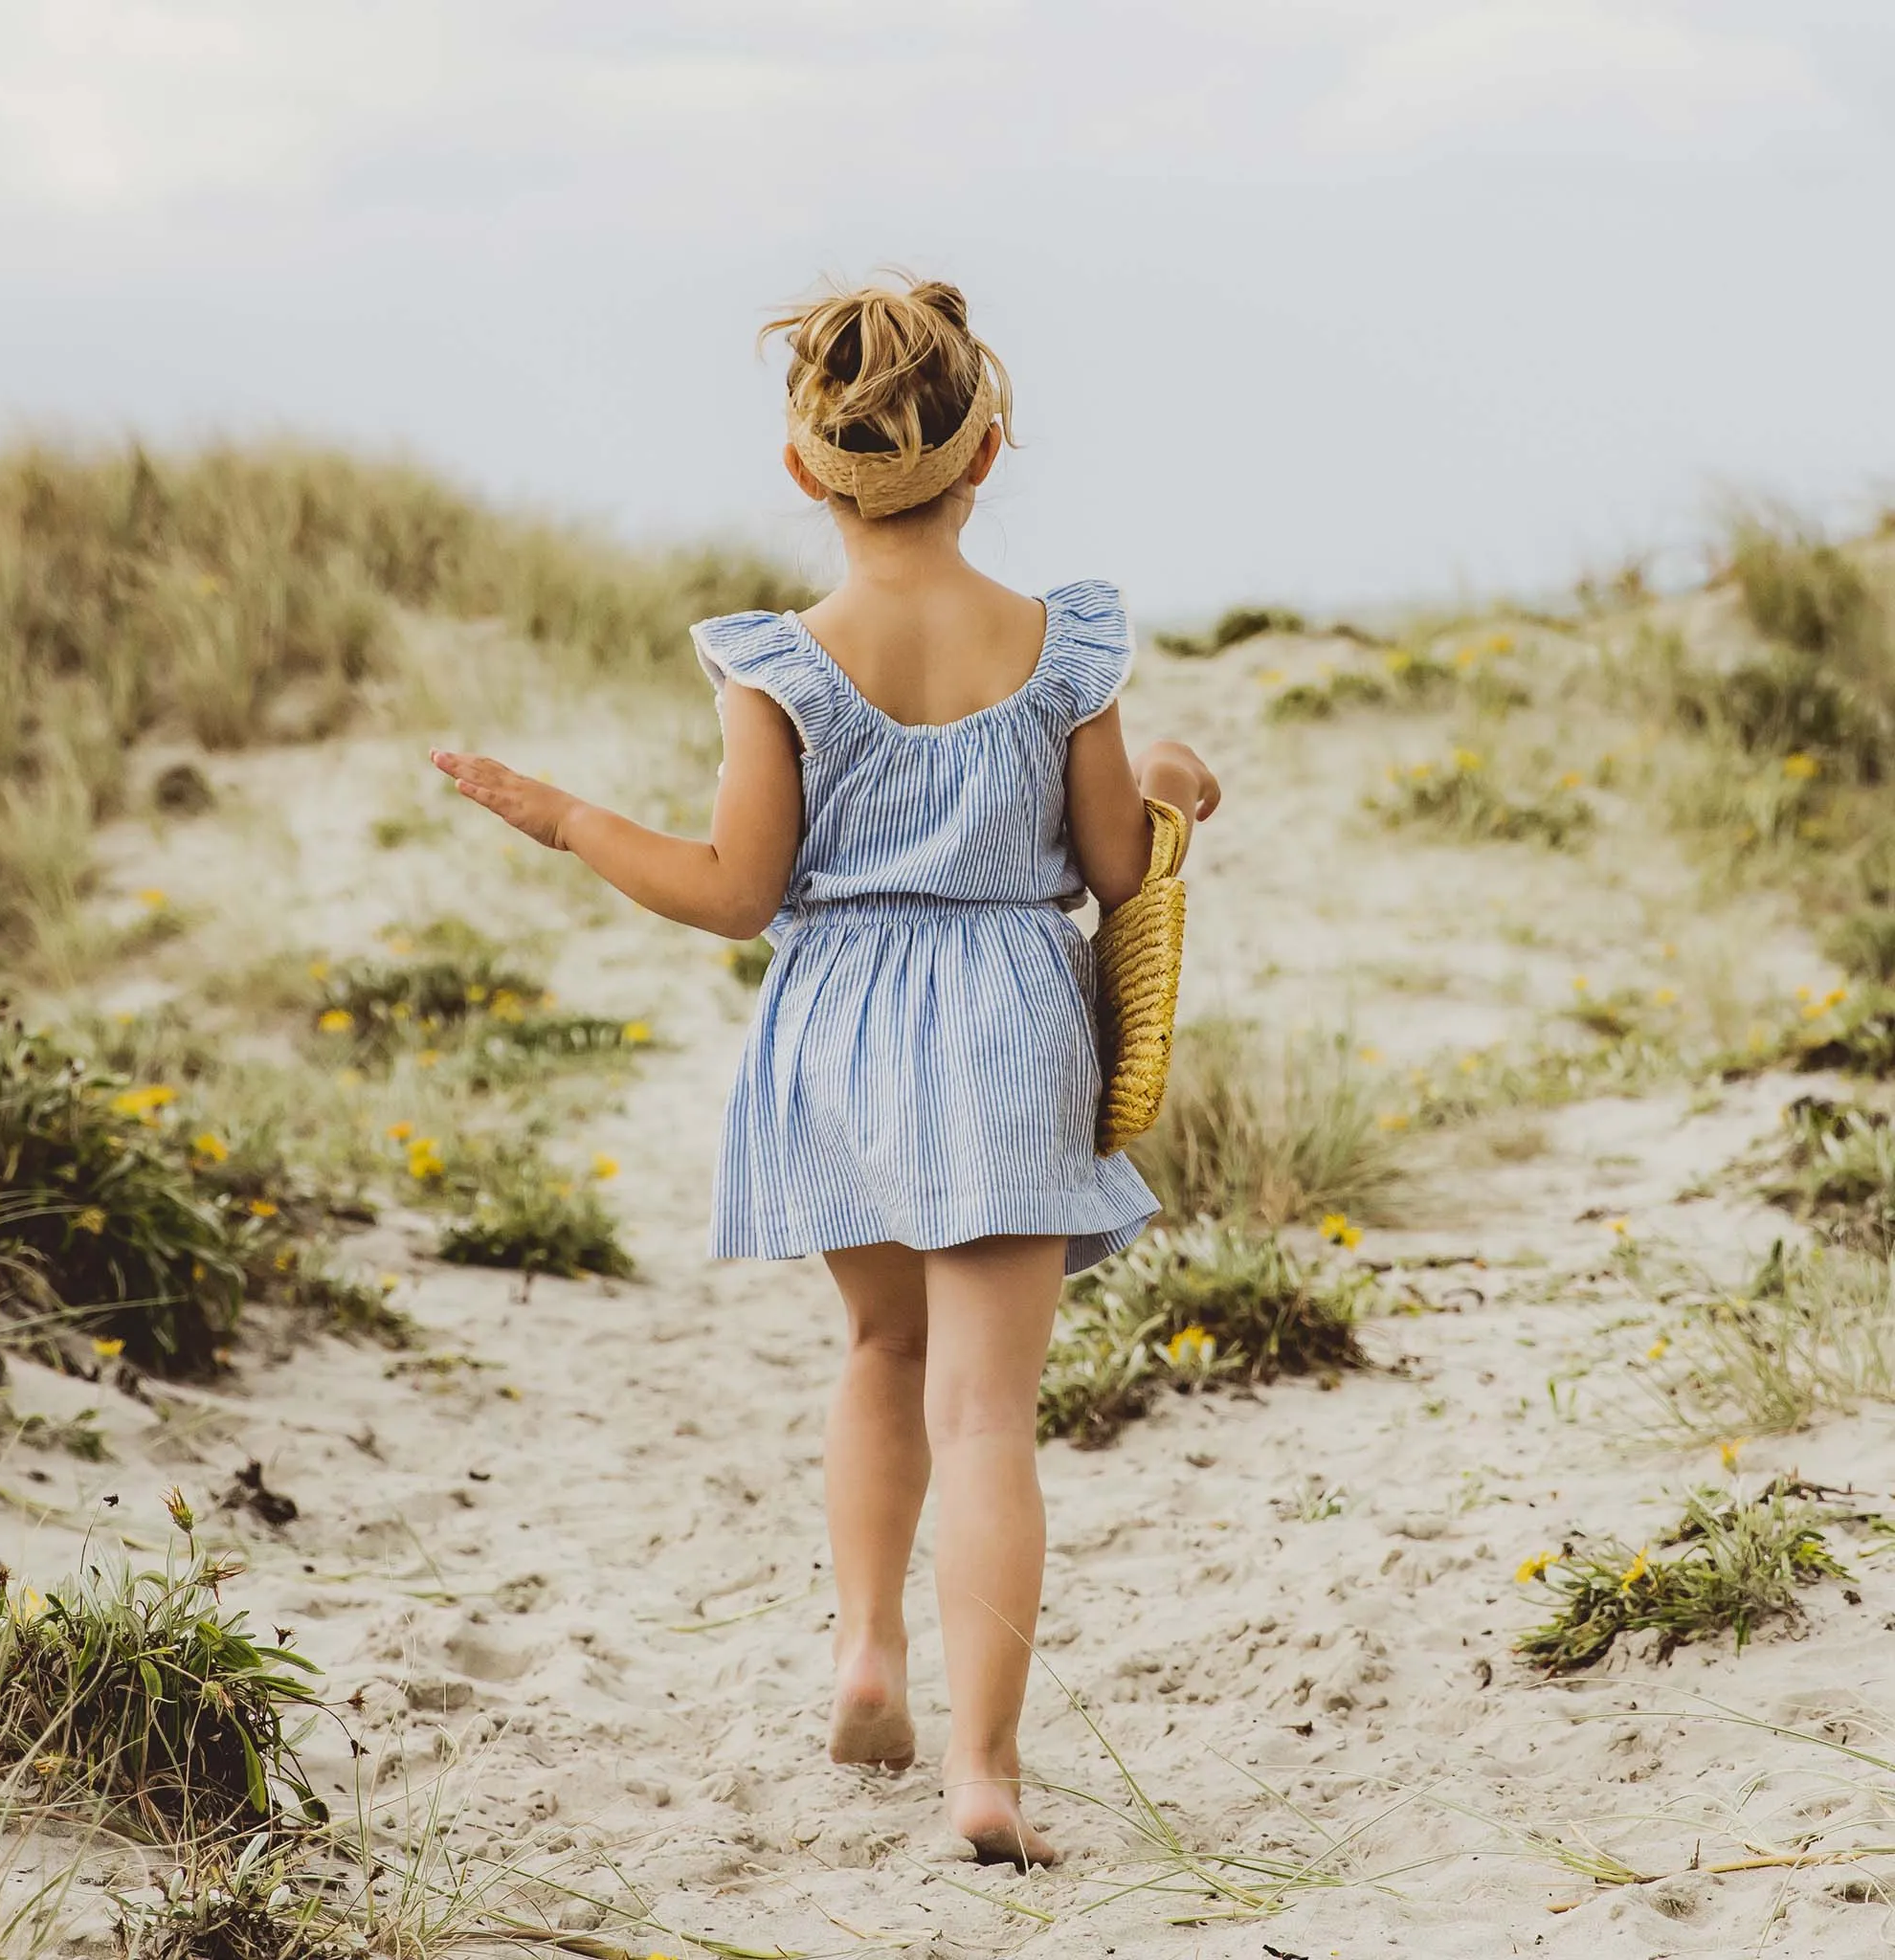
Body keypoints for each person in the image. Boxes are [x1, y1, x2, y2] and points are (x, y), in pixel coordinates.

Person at [432, 273, 1220, 1868]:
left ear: (805, 471)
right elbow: (1116, 865)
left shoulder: (778, 664)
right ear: (989, 444)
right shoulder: (1061, 644)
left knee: (877, 1346)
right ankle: (986, 1775)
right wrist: (1178, 781)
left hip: (841, 1026)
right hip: (1005, 1016)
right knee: (989, 1415)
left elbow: (736, 892)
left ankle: (867, 1650)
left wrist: (570, 819)